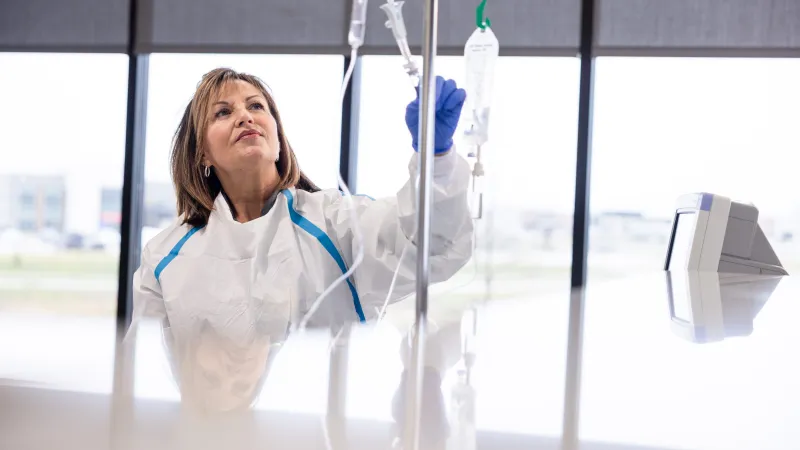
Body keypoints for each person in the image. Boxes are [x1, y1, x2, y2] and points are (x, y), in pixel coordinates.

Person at [130, 68, 474, 343]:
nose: (245, 117)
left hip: (322, 427)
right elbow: (145, 369)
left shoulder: (336, 224)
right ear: (202, 152)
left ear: (278, 139)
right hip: (210, 429)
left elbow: (431, 246)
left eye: (256, 106)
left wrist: (437, 156)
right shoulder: (165, 257)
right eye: (223, 112)